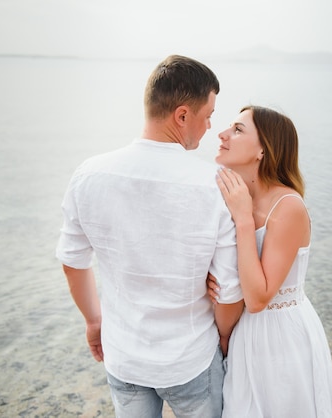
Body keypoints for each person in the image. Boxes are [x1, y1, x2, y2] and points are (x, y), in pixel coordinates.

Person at [55, 55, 244, 418]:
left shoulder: (88, 174)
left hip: (124, 355)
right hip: (189, 359)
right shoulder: (213, 185)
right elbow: (228, 289)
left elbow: (72, 263)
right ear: (183, 116)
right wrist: (223, 341)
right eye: (207, 116)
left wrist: (94, 321)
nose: (209, 128)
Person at [209, 105, 332, 417]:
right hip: (243, 334)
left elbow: (257, 298)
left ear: (263, 150)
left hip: (282, 338)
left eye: (238, 130)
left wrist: (242, 219)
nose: (223, 134)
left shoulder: (288, 207)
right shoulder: (233, 196)